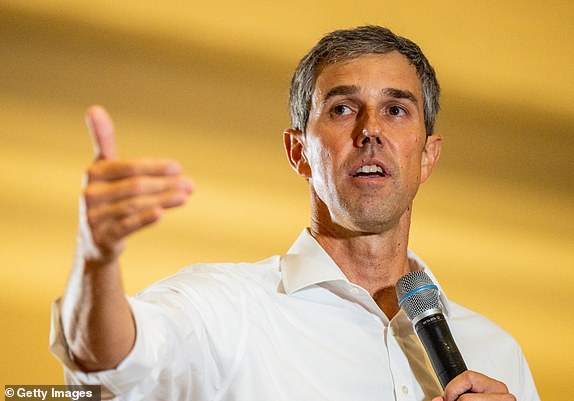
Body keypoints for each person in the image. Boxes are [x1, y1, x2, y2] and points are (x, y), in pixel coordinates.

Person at [50, 25, 540, 401]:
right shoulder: (227, 313)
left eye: (396, 110)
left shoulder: (498, 354)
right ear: (298, 151)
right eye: (343, 108)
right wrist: (95, 260)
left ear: (428, 155)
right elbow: (105, 364)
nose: (370, 130)